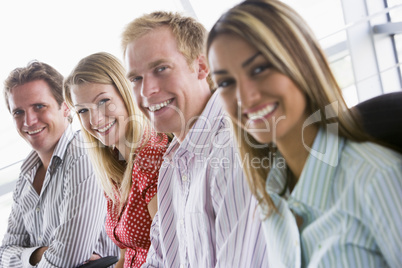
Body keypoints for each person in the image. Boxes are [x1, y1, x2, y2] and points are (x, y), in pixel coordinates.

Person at [206, 0, 402, 267]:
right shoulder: (271, 196)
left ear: (301, 61)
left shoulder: (376, 178)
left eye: (260, 69)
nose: (245, 97)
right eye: (226, 82)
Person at [121, 11, 268, 267]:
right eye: (136, 78)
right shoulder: (172, 162)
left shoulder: (235, 148)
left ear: (201, 67)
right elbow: (158, 261)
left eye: (161, 69)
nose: (147, 91)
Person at [0, 61, 118, 267]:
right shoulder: (26, 176)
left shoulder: (83, 155)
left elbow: (68, 258)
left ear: (65, 107)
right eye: (18, 112)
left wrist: (29, 257)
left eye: (39, 106)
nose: (28, 121)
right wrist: (39, 255)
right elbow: (3, 253)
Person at [63, 52, 169, 268]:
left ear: (126, 94)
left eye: (103, 101)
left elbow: (169, 253)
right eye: (83, 110)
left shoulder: (149, 158)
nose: (94, 120)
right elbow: (124, 256)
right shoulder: (115, 164)